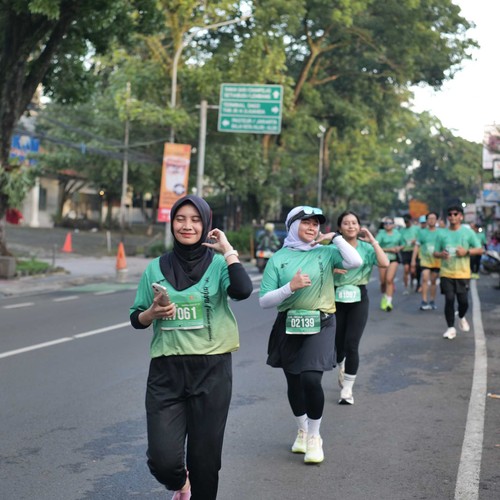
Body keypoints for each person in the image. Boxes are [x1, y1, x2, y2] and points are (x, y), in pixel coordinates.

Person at [129, 195, 253, 500]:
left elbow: (242, 290)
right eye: (181, 219)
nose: (187, 226)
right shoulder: (155, 268)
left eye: (196, 220)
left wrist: (228, 250)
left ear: (207, 224)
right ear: (172, 223)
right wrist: (151, 314)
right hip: (166, 372)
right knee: (163, 460)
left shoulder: (219, 265)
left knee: (205, 460)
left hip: (212, 370)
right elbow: (137, 318)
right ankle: (181, 484)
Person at [259, 206, 362, 464]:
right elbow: (264, 300)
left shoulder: (325, 253)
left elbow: (355, 261)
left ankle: (315, 436)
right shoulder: (278, 259)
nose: (312, 228)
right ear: (293, 225)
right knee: (294, 382)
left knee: (310, 379)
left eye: (316, 224)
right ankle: (303, 430)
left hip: (321, 323)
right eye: (306, 223)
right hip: (288, 324)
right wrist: (290, 287)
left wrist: (335, 237)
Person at [333, 211, 389, 405]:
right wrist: (331, 269)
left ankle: (347, 390)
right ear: (339, 228)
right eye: (346, 223)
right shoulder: (332, 248)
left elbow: (384, 263)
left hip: (358, 298)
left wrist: (373, 241)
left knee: (352, 344)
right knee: (338, 345)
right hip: (335, 298)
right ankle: (340, 363)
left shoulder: (366, 248)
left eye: (354, 223)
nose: (350, 226)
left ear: (359, 227)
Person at [433, 204, 483, 340]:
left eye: (455, 214)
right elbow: (435, 252)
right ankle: (450, 328)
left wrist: (466, 252)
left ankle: (461, 316)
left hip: (463, 273)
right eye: (450, 214)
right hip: (446, 272)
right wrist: (441, 254)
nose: (452, 217)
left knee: (463, 302)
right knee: (449, 299)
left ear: (461, 216)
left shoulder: (468, 233)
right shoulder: (441, 233)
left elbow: (480, 249)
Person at [411, 212, 441, 310]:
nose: (431, 220)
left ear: (436, 220)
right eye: (429, 218)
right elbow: (417, 246)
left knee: (433, 281)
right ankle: (424, 301)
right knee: (424, 278)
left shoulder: (440, 233)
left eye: (433, 218)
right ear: (427, 220)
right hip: (425, 260)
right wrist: (413, 261)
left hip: (436, 261)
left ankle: (432, 300)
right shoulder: (422, 232)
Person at [375, 217, 405, 311]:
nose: (388, 225)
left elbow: (403, 244)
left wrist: (398, 248)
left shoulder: (398, 233)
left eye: (390, 223)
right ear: (383, 225)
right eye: (386, 223)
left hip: (394, 259)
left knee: (389, 279)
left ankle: (388, 302)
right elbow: (376, 246)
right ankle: (385, 295)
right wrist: (388, 249)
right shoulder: (381, 234)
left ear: (393, 224)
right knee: (383, 281)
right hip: (382, 259)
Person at [399, 214, 419, 295]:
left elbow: (420, 239)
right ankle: (406, 287)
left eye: (407, 221)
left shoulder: (416, 229)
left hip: (414, 251)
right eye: (405, 222)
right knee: (406, 269)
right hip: (405, 251)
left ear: (411, 220)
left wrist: (415, 240)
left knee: (413, 270)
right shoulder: (402, 230)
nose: (406, 223)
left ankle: (413, 280)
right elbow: (400, 241)